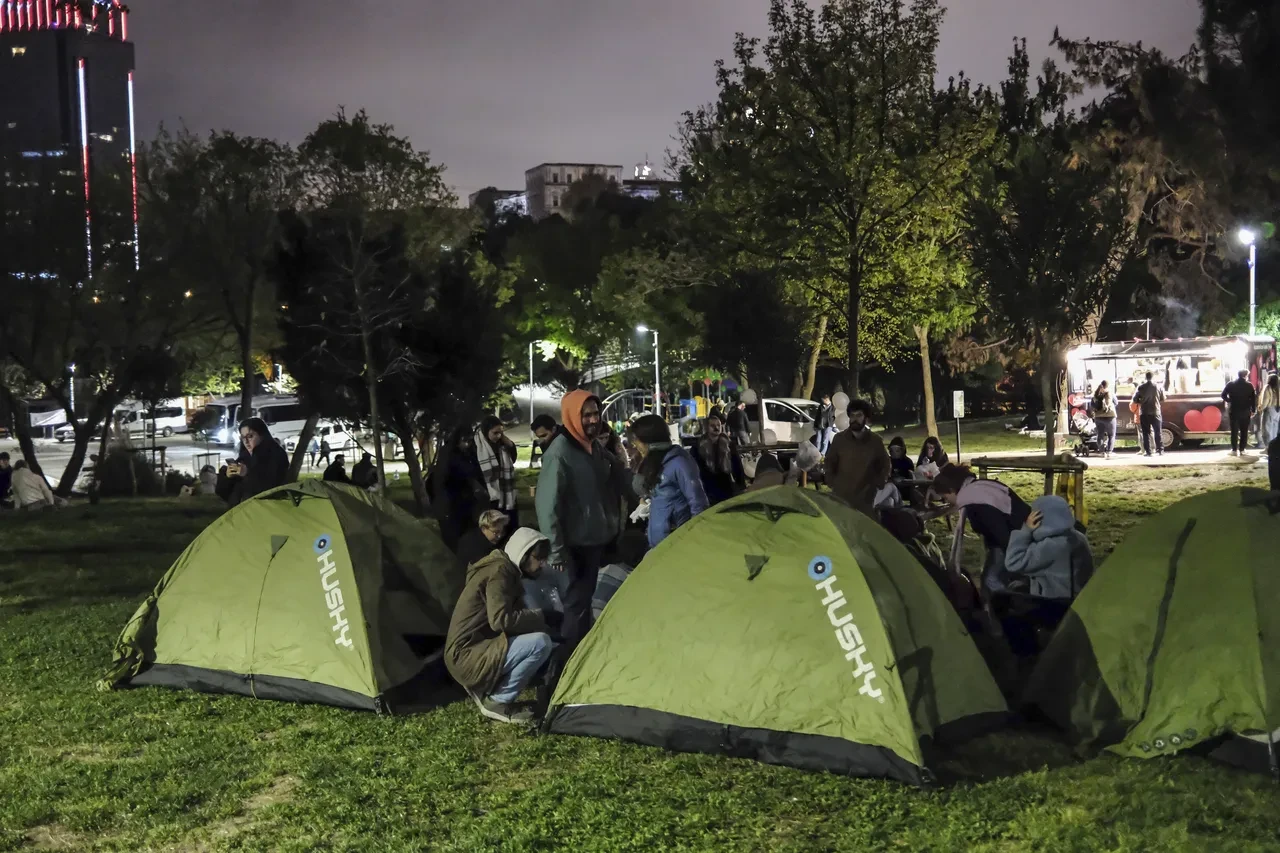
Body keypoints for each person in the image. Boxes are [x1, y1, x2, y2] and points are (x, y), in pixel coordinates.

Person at [536, 390, 632, 646]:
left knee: (585, 600)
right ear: (571, 416)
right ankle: (568, 661)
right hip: (573, 547)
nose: (593, 420)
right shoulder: (560, 453)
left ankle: (584, 648)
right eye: (585, 415)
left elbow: (614, 474)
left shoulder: (591, 447)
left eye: (595, 413)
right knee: (576, 604)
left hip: (593, 540)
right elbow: (548, 505)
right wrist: (556, 551)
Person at [444, 527, 554, 724]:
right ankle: (497, 701)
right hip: (466, 657)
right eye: (539, 558)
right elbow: (501, 620)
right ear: (523, 553)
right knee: (541, 643)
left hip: (465, 653)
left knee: (542, 638)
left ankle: (486, 687)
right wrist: (543, 617)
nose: (542, 564)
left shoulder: (502, 569)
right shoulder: (500, 572)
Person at [1001, 495, 1095, 655]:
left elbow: (1013, 562)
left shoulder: (1052, 546)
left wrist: (1026, 530)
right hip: (1079, 599)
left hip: (1059, 604)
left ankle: (1029, 656)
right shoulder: (1077, 537)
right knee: (1018, 587)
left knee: (1004, 605)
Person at [933, 463, 1032, 596]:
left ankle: (1012, 604)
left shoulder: (976, 503)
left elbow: (1000, 532)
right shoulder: (975, 487)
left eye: (945, 497)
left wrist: (1016, 562)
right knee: (990, 575)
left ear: (951, 489)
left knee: (991, 580)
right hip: (1016, 532)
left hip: (1017, 537)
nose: (947, 501)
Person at [627, 414, 708, 548]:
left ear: (649, 439)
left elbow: (699, 504)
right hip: (659, 543)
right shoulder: (654, 462)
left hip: (677, 544)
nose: (635, 445)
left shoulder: (679, 462)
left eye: (637, 440)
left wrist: (692, 539)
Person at [824, 399, 891, 516]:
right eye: (852, 415)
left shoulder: (875, 441)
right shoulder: (839, 439)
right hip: (841, 495)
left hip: (865, 497)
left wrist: (879, 482)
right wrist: (831, 481)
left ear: (866, 418)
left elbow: (885, 464)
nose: (855, 419)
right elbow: (829, 462)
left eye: (859, 415)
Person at [430, 428, 488, 552]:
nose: (467, 444)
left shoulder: (469, 453)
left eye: (469, 441)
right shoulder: (448, 454)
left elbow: (477, 473)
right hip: (449, 504)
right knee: (453, 540)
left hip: (467, 503)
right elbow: (441, 481)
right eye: (464, 441)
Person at [215, 417, 290, 507]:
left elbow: (270, 487)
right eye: (243, 438)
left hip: (265, 510)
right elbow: (223, 493)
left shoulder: (276, 454)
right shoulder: (244, 457)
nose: (246, 441)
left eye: (250, 436)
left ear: (262, 435)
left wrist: (247, 473)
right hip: (240, 512)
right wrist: (227, 477)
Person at [690, 411, 747, 505]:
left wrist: (741, 485)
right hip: (707, 489)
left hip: (725, 488)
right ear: (707, 428)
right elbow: (694, 469)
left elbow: (737, 465)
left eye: (718, 425)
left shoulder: (728, 444)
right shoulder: (698, 446)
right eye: (712, 425)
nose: (716, 427)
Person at [475, 416, 519, 529]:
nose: (498, 436)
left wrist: (509, 445)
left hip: (504, 490)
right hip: (488, 492)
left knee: (509, 523)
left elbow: (512, 459)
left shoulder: (502, 444)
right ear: (486, 431)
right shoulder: (477, 446)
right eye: (495, 433)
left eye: (501, 433)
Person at [1222, 369, 1258, 456]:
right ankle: (1242, 449)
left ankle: (1234, 450)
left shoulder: (1231, 384)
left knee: (1234, 431)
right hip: (1245, 412)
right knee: (1244, 431)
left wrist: (1229, 400)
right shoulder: (1249, 385)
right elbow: (1253, 399)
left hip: (1234, 411)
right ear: (1246, 375)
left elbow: (1223, 395)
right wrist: (1253, 410)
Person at [1131, 372, 1166, 456]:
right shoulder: (1158, 387)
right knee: (1158, 432)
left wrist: (1142, 401)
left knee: (1146, 433)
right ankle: (1160, 450)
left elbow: (1135, 400)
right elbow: (1163, 399)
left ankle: (1148, 451)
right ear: (1153, 377)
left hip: (1144, 412)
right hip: (1156, 411)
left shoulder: (1141, 387)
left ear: (1145, 377)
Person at [1091, 380, 1118, 459]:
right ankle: (1109, 452)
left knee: (1100, 435)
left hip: (1098, 417)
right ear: (1107, 385)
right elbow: (1116, 402)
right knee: (1111, 435)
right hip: (1110, 416)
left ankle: (1102, 451)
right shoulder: (1110, 392)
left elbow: (1092, 405)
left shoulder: (1096, 393)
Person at [1258, 374, 1280, 449]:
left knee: (1266, 430)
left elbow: (1266, 399)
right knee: (1274, 429)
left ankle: (1268, 448)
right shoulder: (1278, 387)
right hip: (1277, 410)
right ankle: (1274, 448)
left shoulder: (1268, 387)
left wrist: (1261, 408)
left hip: (1269, 409)